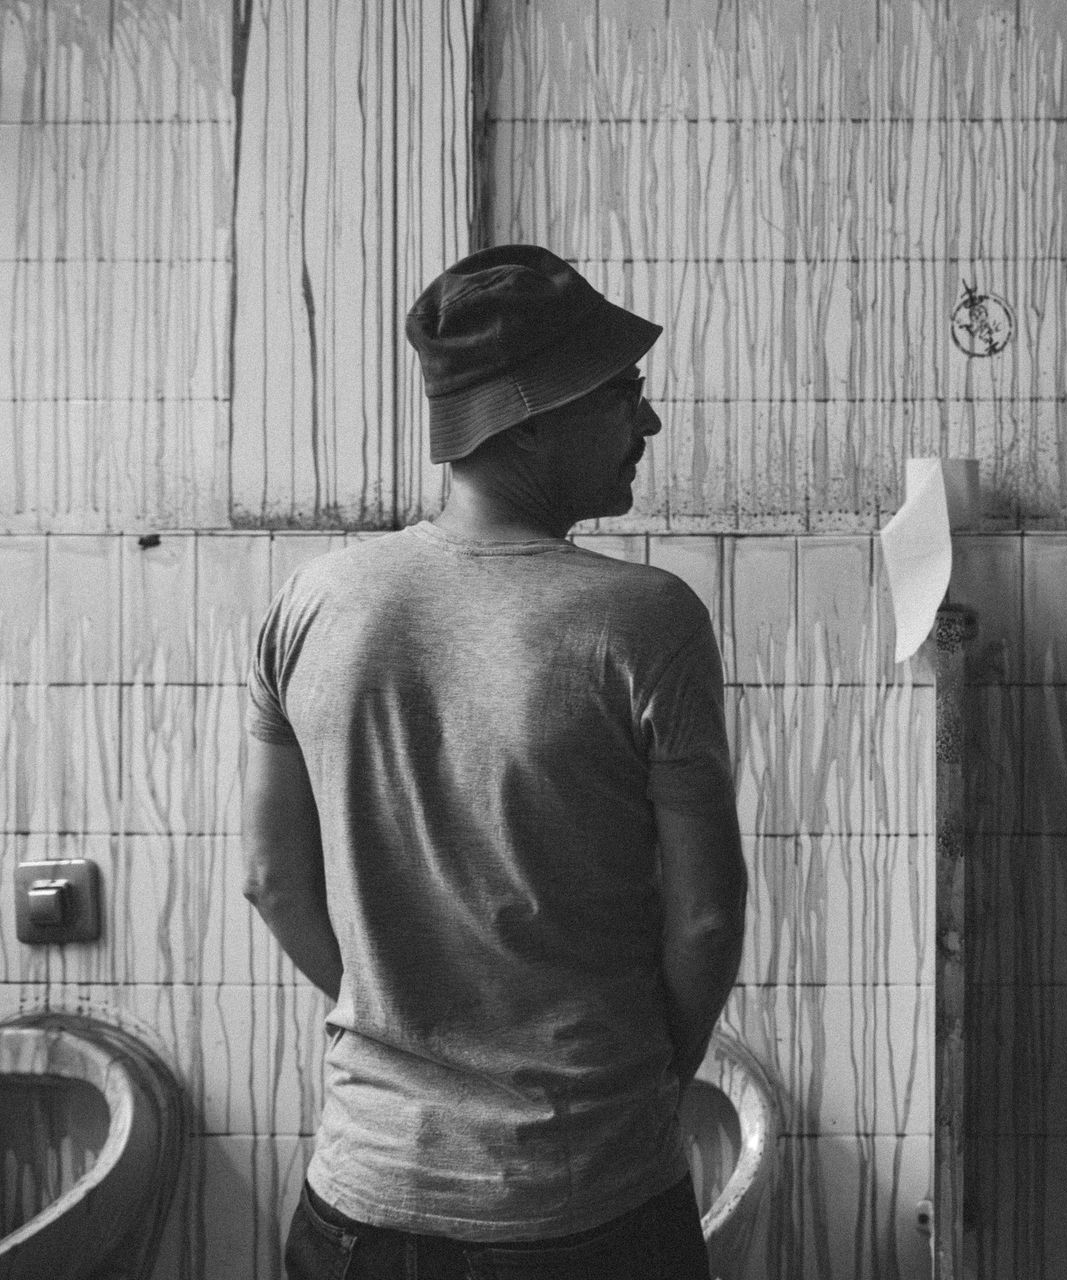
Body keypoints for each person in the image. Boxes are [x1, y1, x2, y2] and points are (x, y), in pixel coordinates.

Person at [243, 244, 746, 1280]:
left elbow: (271, 881)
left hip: (359, 1207)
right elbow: (704, 916)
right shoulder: (645, 621)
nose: (648, 422)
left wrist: (408, 1027)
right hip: (585, 1205)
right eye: (623, 392)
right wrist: (646, 1085)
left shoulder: (310, 605)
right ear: (531, 416)